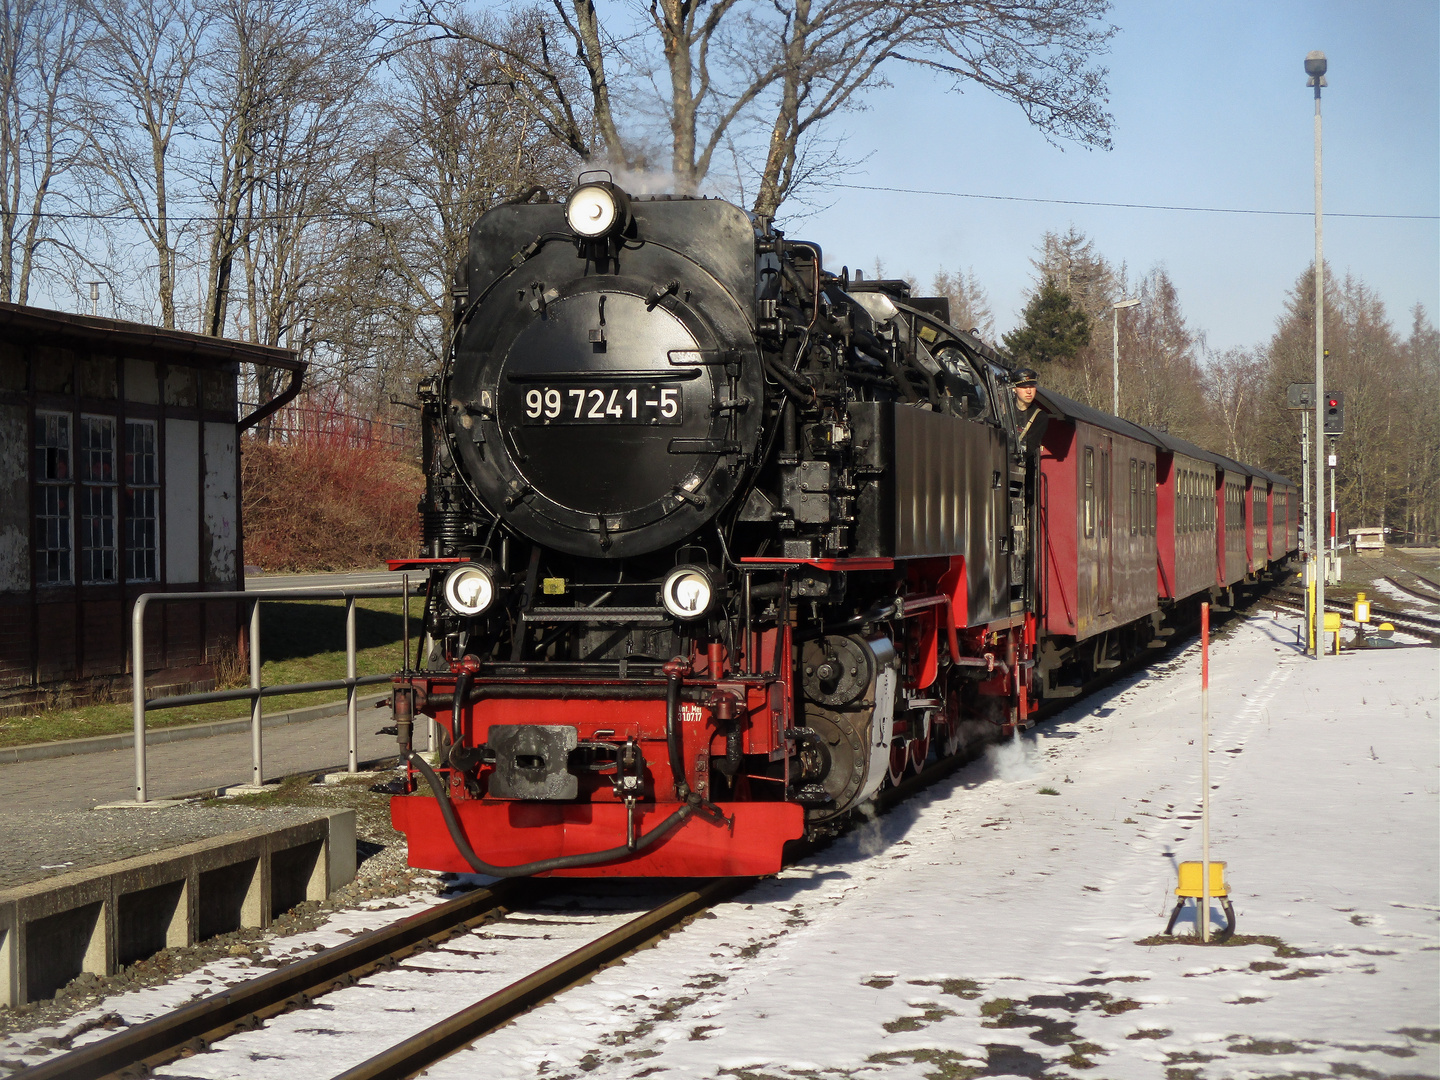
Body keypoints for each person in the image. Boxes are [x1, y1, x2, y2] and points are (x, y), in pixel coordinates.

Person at [1011, 367, 1047, 454]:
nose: (1029, 391)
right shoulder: (1004, 409)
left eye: (1032, 387)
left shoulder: (1040, 416)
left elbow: (1029, 447)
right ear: (1014, 389)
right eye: (1024, 387)